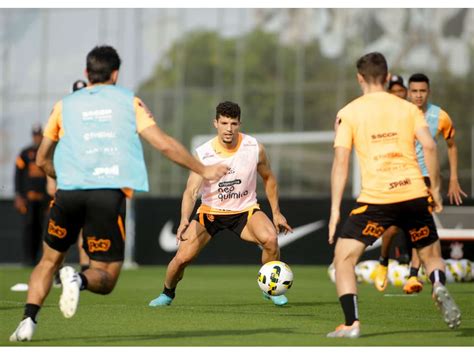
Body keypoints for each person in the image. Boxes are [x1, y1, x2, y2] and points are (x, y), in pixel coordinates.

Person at [9, 45, 228, 342]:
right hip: (106, 195)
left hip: (68, 193)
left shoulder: (64, 105)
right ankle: (79, 278)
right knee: (107, 276)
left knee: (47, 261)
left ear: (87, 74)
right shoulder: (129, 102)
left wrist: (61, 177)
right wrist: (204, 170)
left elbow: (43, 158)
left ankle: (27, 321)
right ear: (115, 74)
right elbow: (163, 144)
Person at [327, 52, 461, 338]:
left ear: (359, 78)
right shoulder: (408, 108)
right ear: (388, 78)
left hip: (377, 199)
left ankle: (352, 324)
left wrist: (335, 210)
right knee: (432, 255)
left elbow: (340, 162)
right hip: (413, 193)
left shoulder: (348, 112)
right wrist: (434, 190)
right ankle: (437, 284)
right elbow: (431, 146)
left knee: (343, 259)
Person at [148, 101, 293, 308]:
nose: (229, 129)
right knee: (181, 259)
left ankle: (270, 289)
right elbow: (191, 191)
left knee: (270, 239)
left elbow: (269, 179)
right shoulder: (204, 153)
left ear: (239, 124)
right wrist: (183, 220)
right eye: (224, 123)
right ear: (215, 123)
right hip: (210, 213)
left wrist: (277, 213)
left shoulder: (254, 148)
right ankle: (167, 293)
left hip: (245, 210)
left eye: (233, 123)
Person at [373, 73, 467, 294]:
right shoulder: (399, 113)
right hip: (399, 177)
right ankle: (383, 260)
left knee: (420, 226)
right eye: (414, 91)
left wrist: (453, 178)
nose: (418, 95)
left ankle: (413, 276)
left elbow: (452, 145)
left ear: (428, 92)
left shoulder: (440, 116)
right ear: (408, 92)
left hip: (424, 180)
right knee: (391, 229)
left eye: (422, 91)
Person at [14, 124, 51, 266]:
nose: (37, 137)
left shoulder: (47, 152)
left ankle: (39, 258)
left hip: (43, 199)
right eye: (35, 135)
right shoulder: (25, 153)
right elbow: (18, 174)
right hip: (29, 199)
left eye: (39, 135)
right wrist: (18, 194)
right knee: (29, 227)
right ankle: (28, 259)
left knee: (42, 228)